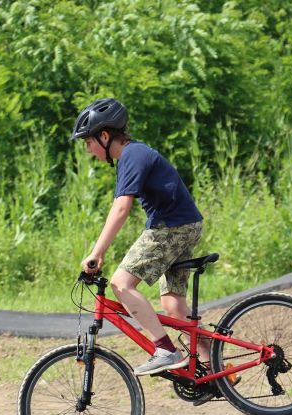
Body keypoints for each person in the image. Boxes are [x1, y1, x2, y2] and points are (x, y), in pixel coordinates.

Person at [71, 97, 209, 376]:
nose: (88, 150)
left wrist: (97, 253)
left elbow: (122, 207)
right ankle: (213, 367)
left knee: (121, 284)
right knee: (174, 305)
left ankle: (166, 350)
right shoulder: (134, 155)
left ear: (105, 135)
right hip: (183, 224)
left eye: (88, 142)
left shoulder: (132, 155)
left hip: (171, 226)